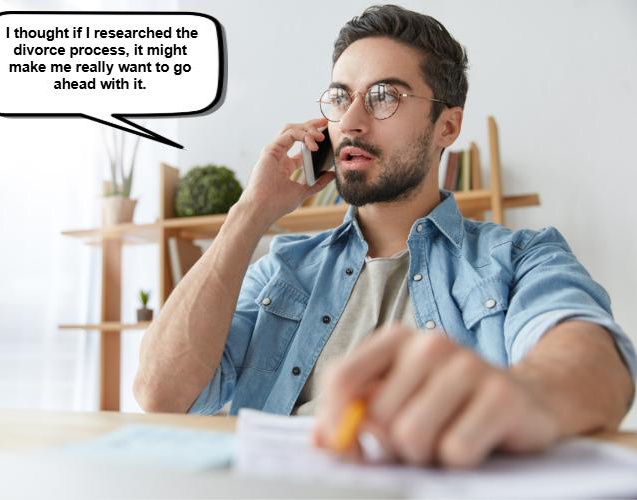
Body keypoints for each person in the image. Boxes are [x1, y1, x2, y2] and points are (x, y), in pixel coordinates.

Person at [134, 4, 636, 467]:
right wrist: (250, 214)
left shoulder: (520, 257)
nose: (350, 122)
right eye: (339, 98)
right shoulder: (281, 269)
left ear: (447, 126)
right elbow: (160, 394)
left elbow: (597, 363)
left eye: (384, 97)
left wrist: (525, 396)